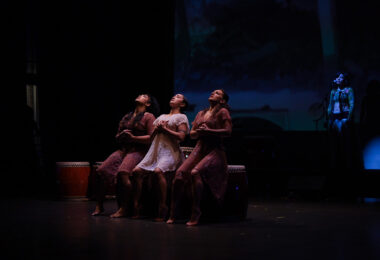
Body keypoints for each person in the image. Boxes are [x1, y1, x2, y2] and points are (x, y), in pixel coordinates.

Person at [167, 89, 232, 226]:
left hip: (215, 149)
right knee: (179, 174)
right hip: (200, 147)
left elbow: (228, 131)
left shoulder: (222, 112)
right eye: (213, 92)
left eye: (217, 93)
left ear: (222, 100)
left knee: (195, 172)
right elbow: (192, 134)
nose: (213, 93)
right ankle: (174, 212)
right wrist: (200, 132)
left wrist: (210, 131)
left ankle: (195, 212)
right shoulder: (201, 113)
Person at [91, 94, 159, 217]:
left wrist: (133, 138)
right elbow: (117, 136)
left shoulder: (149, 117)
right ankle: (99, 205)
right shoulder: (127, 116)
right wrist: (121, 136)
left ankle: (124, 208)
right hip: (124, 149)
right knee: (101, 170)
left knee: (123, 172)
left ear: (148, 104)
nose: (139, 95)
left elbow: (151, 138)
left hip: (139, 150)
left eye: (144, 96)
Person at [132, 94, 189, 221]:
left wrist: (165, 129)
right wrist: (157, 130)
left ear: (183, 104)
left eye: (178, 97)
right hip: (156, 151)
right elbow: (151, 137)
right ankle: (136, 205)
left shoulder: (181, 117)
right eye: (173, 96)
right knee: (136, 171)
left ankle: (163, 206)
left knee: (158, 171)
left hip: (170, 152)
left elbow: (181, 137)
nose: (174, 97)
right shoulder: (161, 117)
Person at [327, 72, 354, 168]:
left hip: (345, 117)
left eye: (341, 77)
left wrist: (348, 119)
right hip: (335, 117)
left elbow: (352, 104)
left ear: (344, 79)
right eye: (337, 77)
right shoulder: (333, 91)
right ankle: (335, 163)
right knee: (334, 141)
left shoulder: (348, 90)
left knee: (345, 140)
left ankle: (347, 163)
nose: (338, 79)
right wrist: (329, 118)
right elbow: (330, 105)